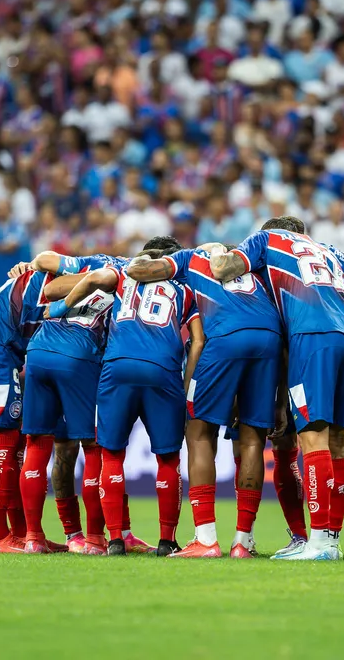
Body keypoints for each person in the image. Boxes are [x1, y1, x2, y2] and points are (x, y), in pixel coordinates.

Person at [210, 217, 344, 561]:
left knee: (312, 436)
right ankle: (332, 541)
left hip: (311, 337)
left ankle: (319, 541)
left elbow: (223, 268)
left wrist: (212, 250)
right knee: (340, 441)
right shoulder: (327, 252)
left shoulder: (266, 239)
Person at [125, 239, 283, 559]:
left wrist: (126, 264)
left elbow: (142, 271)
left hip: (224, 337)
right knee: (252, 437)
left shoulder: (189, 258)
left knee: (198, 431)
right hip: (270, 339)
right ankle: (242, 542)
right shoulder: (251, 265)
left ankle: (206, 539)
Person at [47, 237, 203, 557]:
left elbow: (82, 279)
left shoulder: (121, 272)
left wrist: (60, 306)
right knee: (168, 458)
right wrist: (187, 386)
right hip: (163, 369)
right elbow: (198, 340)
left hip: (117, 367)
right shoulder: (187, 288)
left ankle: (115, 538)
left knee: (112, 454)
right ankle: (166, 540)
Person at [13, 247, 154, 556]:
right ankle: (93, 539)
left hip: (38, 352)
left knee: (38, 444)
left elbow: (49, 277)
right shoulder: (134, 280)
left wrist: (34, 266)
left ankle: (34, 537)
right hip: (79, 357)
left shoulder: (94, 263)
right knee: (94, 449)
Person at [0, 267, 79, 553]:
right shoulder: (53, 279)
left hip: (2, 352)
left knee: (18, 439)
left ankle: (23, 534)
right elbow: (57, 287)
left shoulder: (39, 275)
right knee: (3, 437)